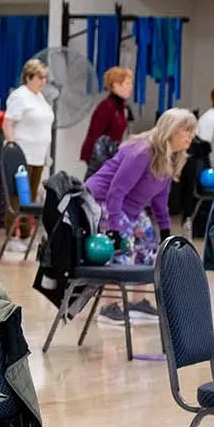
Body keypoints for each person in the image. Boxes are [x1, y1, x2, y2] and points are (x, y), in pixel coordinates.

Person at [85, 108, 197, 325]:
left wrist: (165, 232)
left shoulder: (172, 157)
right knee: (122, 247)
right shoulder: (142, 152)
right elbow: (116, 191)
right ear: (171, 131)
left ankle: (137, 302)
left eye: (192, 131)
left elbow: (160, 199)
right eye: (186, 131)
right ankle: (108, 307)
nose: (190, 136)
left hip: (130, 207)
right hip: (103, 202)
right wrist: (114, 230)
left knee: (150, 244)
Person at [1, 59, 53, 252]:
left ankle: (24, 233)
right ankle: (11, 235)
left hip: (38, 156)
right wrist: (12, 146)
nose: (44, 81)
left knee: (29, 196)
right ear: (29, 77)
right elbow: (8, 123)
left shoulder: (40, 98)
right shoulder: (19, 96)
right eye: (40, 77)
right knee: (17, 195)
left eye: (45, 77)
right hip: (23, 155)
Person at [81, 67, 134, 164]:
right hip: (100, 157)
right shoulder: (106, 107)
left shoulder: (122, 107)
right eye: (127, 83)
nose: (130, 87)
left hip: (112, 154)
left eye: (131, 83)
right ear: (115, 85)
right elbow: (94, 135)